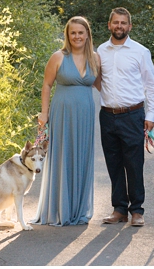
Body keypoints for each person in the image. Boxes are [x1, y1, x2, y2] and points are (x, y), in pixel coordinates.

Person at [33, 16, 100, 226]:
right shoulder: (58, 57)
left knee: (82, 156)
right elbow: (46, 86)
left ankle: (78, 209)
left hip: (86, 114)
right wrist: (44, 113)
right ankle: (60, 209)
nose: (77, 36)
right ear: (67, 35)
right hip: (62, 113)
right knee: (63, 156)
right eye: (73, 33)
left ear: (87, 34)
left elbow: (103, 86)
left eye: (81, 32)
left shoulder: (95, 59)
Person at [97, 7, 154, 227]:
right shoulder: (100, 51)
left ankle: (137, 210)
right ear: (109, 25)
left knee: (134, 164)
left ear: (130, 26)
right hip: (107, 115)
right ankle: (119, 209)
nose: (119, 26)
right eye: (116, 22)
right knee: (113, 164)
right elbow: (97, 81)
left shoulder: (140, 52)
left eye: (123, 23)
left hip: (133, 115)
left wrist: (150, 116)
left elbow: (151, 86)